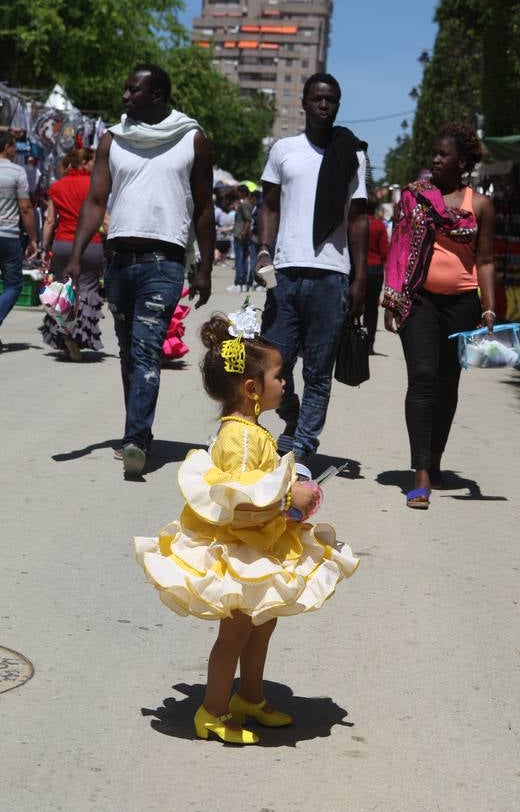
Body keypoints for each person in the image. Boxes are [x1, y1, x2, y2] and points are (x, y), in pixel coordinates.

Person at [134, 307, 359, 744]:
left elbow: (263, 485)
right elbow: (237, 497)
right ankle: (213, 710)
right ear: (253, 388)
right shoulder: (239, 437)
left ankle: (249, 697)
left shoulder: (251, 430)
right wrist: (288, 497)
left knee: (263, 621)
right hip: (240, 550)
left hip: (260, 542)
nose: (284, 384)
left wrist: (293, 493)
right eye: (279, 376)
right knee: (235, 632)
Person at [63, 63, 215, 476]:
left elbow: (204, 206)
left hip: (162, 264)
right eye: (126, 90)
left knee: (147, 348)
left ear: (158, 96)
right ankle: (140, 432)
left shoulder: (191, 139)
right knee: (129, 352)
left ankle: (134, 439)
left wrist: (204, 268)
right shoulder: (113, 138)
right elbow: (96, 201)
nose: (125, 97)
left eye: (133, 91)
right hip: (118, 261)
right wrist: (77, 255)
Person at [257, 73, 368, 476]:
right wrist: (264, 250)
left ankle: (302, 448)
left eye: (332, 100)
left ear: (338, 105)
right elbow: (269, 206)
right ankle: (293, 414)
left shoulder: (351, 153)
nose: (325, 105)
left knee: (319, 370)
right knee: (273, 361)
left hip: (331, 274)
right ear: (304, 103)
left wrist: (359, 277)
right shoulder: (284, 150)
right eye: (318, 99)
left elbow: (358, 218)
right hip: (285, 271)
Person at [383, 122, 495, 509]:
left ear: (461, 162)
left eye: (443, 154)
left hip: (463, 304)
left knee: (448, 384)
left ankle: (436, 459)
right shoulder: (415, 198)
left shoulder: (479, 205)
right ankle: (420, 474)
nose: (434, 159)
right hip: (420, 302)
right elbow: (399, 246)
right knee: (424, 378)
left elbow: (485, 261)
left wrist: (489, 306)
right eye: (433, 152)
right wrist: (393, 297)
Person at [40, 148, 104, 361]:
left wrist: (44, 246)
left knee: (63, 291)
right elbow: (103, 218)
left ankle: (65, 335)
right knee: (86, 291)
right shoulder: (94, 185)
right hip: (90, 244)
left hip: (63, 244)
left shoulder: (56, 187)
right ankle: (77, 338)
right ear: (84, 162)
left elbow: (49, 221)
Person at [0, 133, 38, 351]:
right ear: (7, 147)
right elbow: (25, 207)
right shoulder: (17, 171)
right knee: (13, 285)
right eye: (14, 147)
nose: (16, 151)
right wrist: (33, 237)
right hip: (8, 235)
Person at [365, 197, 389, 354]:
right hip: (375, 269)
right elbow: (384, 252)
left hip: (358, 267)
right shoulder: (379, 226)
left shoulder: (355, 223)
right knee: (372, 309)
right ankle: (368, 344)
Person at [228, 184, 252, 292]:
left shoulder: (244, 204)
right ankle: (242, 283)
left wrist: (242, 232)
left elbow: (248, 220)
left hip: (240, 234)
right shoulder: (246, 204)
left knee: (240, 259)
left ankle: (238, 283)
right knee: (243, 260)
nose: (237, 194)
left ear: (242, 192)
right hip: (244, 235)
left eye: (238, 192)